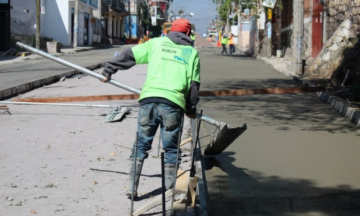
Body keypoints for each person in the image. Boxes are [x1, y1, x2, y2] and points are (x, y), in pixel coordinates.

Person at [101, 18, 201, 198]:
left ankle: (132, 188)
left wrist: (109, 69)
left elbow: (129, 55)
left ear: (171, 31)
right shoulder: (191, 53)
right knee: (171, 149)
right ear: (188, 34)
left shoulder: (156, 43)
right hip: (173, 104)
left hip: (148, 101)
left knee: (141, 146)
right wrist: (190, 109)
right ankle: (170, 190)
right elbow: (193, 86)